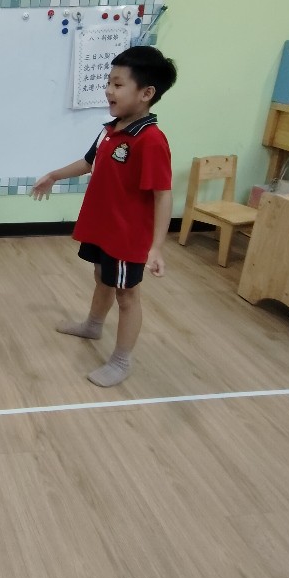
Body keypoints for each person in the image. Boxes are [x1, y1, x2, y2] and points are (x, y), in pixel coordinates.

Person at [31, 45, 177, 386]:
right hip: (103, 227)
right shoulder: (111, 128)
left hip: (128, 236)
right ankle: (93, 325)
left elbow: (163, 195)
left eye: (118, 84)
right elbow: (88, 162)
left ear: (146, 93)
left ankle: (122, 361)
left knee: (127, 295)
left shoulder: (151, 140)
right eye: (109, 82)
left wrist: (156, 247)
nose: (109, 90)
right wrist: (54, 175)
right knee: (102, 277)